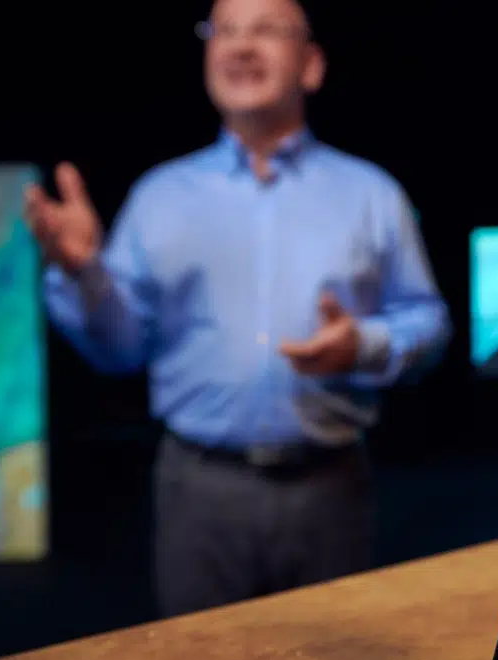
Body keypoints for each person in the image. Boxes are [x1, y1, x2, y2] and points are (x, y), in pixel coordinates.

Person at [23, 0, 451, 616]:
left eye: (267, 29)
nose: (242, 46)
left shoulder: (372, 194)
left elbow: (428, 323)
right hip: (198, 490)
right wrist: (83, 273)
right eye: (225, 29)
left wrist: (363, 346)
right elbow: (118, 352)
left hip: (330, 487)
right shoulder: (159, 196)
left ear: (311, 65)